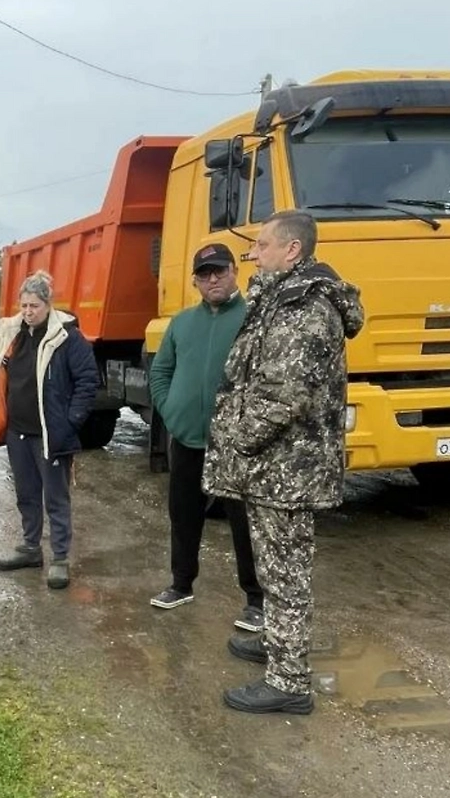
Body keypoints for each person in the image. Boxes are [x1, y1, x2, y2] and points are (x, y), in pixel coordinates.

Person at [203, 212, 364, 715]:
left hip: (286, 470)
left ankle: (289, 681)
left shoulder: (304, 305)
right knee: (273, 569)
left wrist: (238, 439)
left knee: (286, 572)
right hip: (275, 468)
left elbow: (283, 393)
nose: (254, 253)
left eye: (263, 245)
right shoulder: (280, 296)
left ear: (292, 250)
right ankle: (277, 642)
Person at [148, 243, 264, 633]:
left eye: (219, 271)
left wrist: (247, 424)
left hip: (234, 443)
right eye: (204, 273)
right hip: (186, 439)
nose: (212, 279)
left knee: (243, 524)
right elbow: (161, 371)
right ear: (195, 280)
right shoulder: (182, 323)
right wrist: (170, 410)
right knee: (183, 515)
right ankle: (181, 584)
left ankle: (255, 600)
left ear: (235, 271)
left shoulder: (253, 319)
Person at [0, 270, 100, 590]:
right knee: (26, 494)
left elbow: (88, 381)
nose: (28, 311)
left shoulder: (67, 338)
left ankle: (60, 558)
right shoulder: (14, 334)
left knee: (56, 498)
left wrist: (70, 421)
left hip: (50, 435)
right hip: (17, 432)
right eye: (24, 305)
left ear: (48, 304)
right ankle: (30, 548)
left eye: (34, 305)